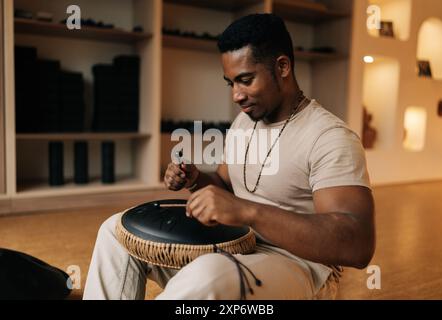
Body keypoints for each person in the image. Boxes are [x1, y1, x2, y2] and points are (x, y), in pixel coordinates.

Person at [83, 13, 375, 300]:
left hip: (299, 266)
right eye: (231, 82)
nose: (236, 95)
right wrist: (196, 179)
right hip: (234, 244)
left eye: (245, 80)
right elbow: (224, 183)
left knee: (208, 275)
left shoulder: (330, 136)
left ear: (283, 67)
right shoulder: (244, 122)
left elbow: (357, 245)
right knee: (115, 230)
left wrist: (248, 211)